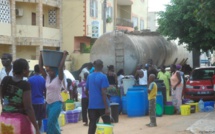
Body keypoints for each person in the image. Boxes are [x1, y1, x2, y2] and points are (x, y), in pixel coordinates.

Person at [0, 58, 40, 134]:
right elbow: (28, 108)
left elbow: (2, 96)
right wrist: (36, 127)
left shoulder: (5, 80)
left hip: (4, 120)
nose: (29, 70)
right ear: (24, 70)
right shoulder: (25, 85)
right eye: (28, 68)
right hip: (19, 121)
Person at [39, 50, 68, 134]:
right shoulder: (47, 77)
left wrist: (64, 56)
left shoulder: (59, 78)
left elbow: (60, 67)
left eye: (51, 71)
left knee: (50, 122)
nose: (49, 72)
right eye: (48, 71)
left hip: (56, 103)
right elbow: (40, 67)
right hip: (48, 103)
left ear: (55, 71)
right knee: (53, 123)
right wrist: (41, 55)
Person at [86, 59, 110, 134]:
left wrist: (91, 98)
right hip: (102, 105)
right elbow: (104, 92)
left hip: (92, 106)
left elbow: (86, 91)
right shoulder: (103, 77)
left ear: (94, 66)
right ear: (102, 66)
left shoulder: (89, 76)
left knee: (92, 126)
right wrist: (106, 108)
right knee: (107, 125)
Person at [28, 64, 46, 130]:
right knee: (40, 119)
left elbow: (28, 91)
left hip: (32, 102)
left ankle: (32, 131)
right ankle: (38, 131)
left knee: (32, 119)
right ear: (40, 70)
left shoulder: (30, 79)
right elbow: (45, 91)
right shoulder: (43, 79)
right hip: (40, 102)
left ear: (34, 70)